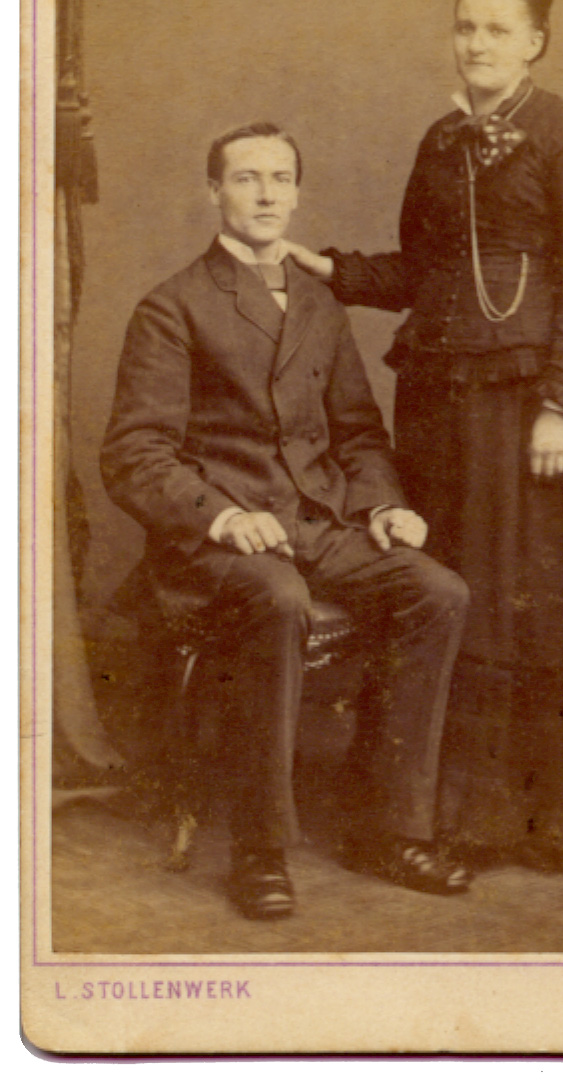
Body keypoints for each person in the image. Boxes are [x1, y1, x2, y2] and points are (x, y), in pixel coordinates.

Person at [286, 0, 563, 875]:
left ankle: (549, 819)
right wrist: (337, 272)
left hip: (531, 409)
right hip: (442, 408)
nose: (477, 43)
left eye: (498, 30)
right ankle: (437, 807)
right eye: (466, 26)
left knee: (534, 595)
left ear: (536, 43)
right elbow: (422, 270)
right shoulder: (440, 141)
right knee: (454, 587)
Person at [100, 121, 472, 921]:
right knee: (277, 597)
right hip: (215, 541)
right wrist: (223, 517)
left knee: (437, 591)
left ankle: (389, 828)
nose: (266, 194)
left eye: (280, 179)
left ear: (297, 193)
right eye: (246, 178)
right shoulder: (172, 306)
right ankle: (260, 849)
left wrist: (385, 505)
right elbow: (134, 454)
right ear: (214, 191)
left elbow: (358, 433)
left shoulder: (317, 302)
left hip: (316, 525)